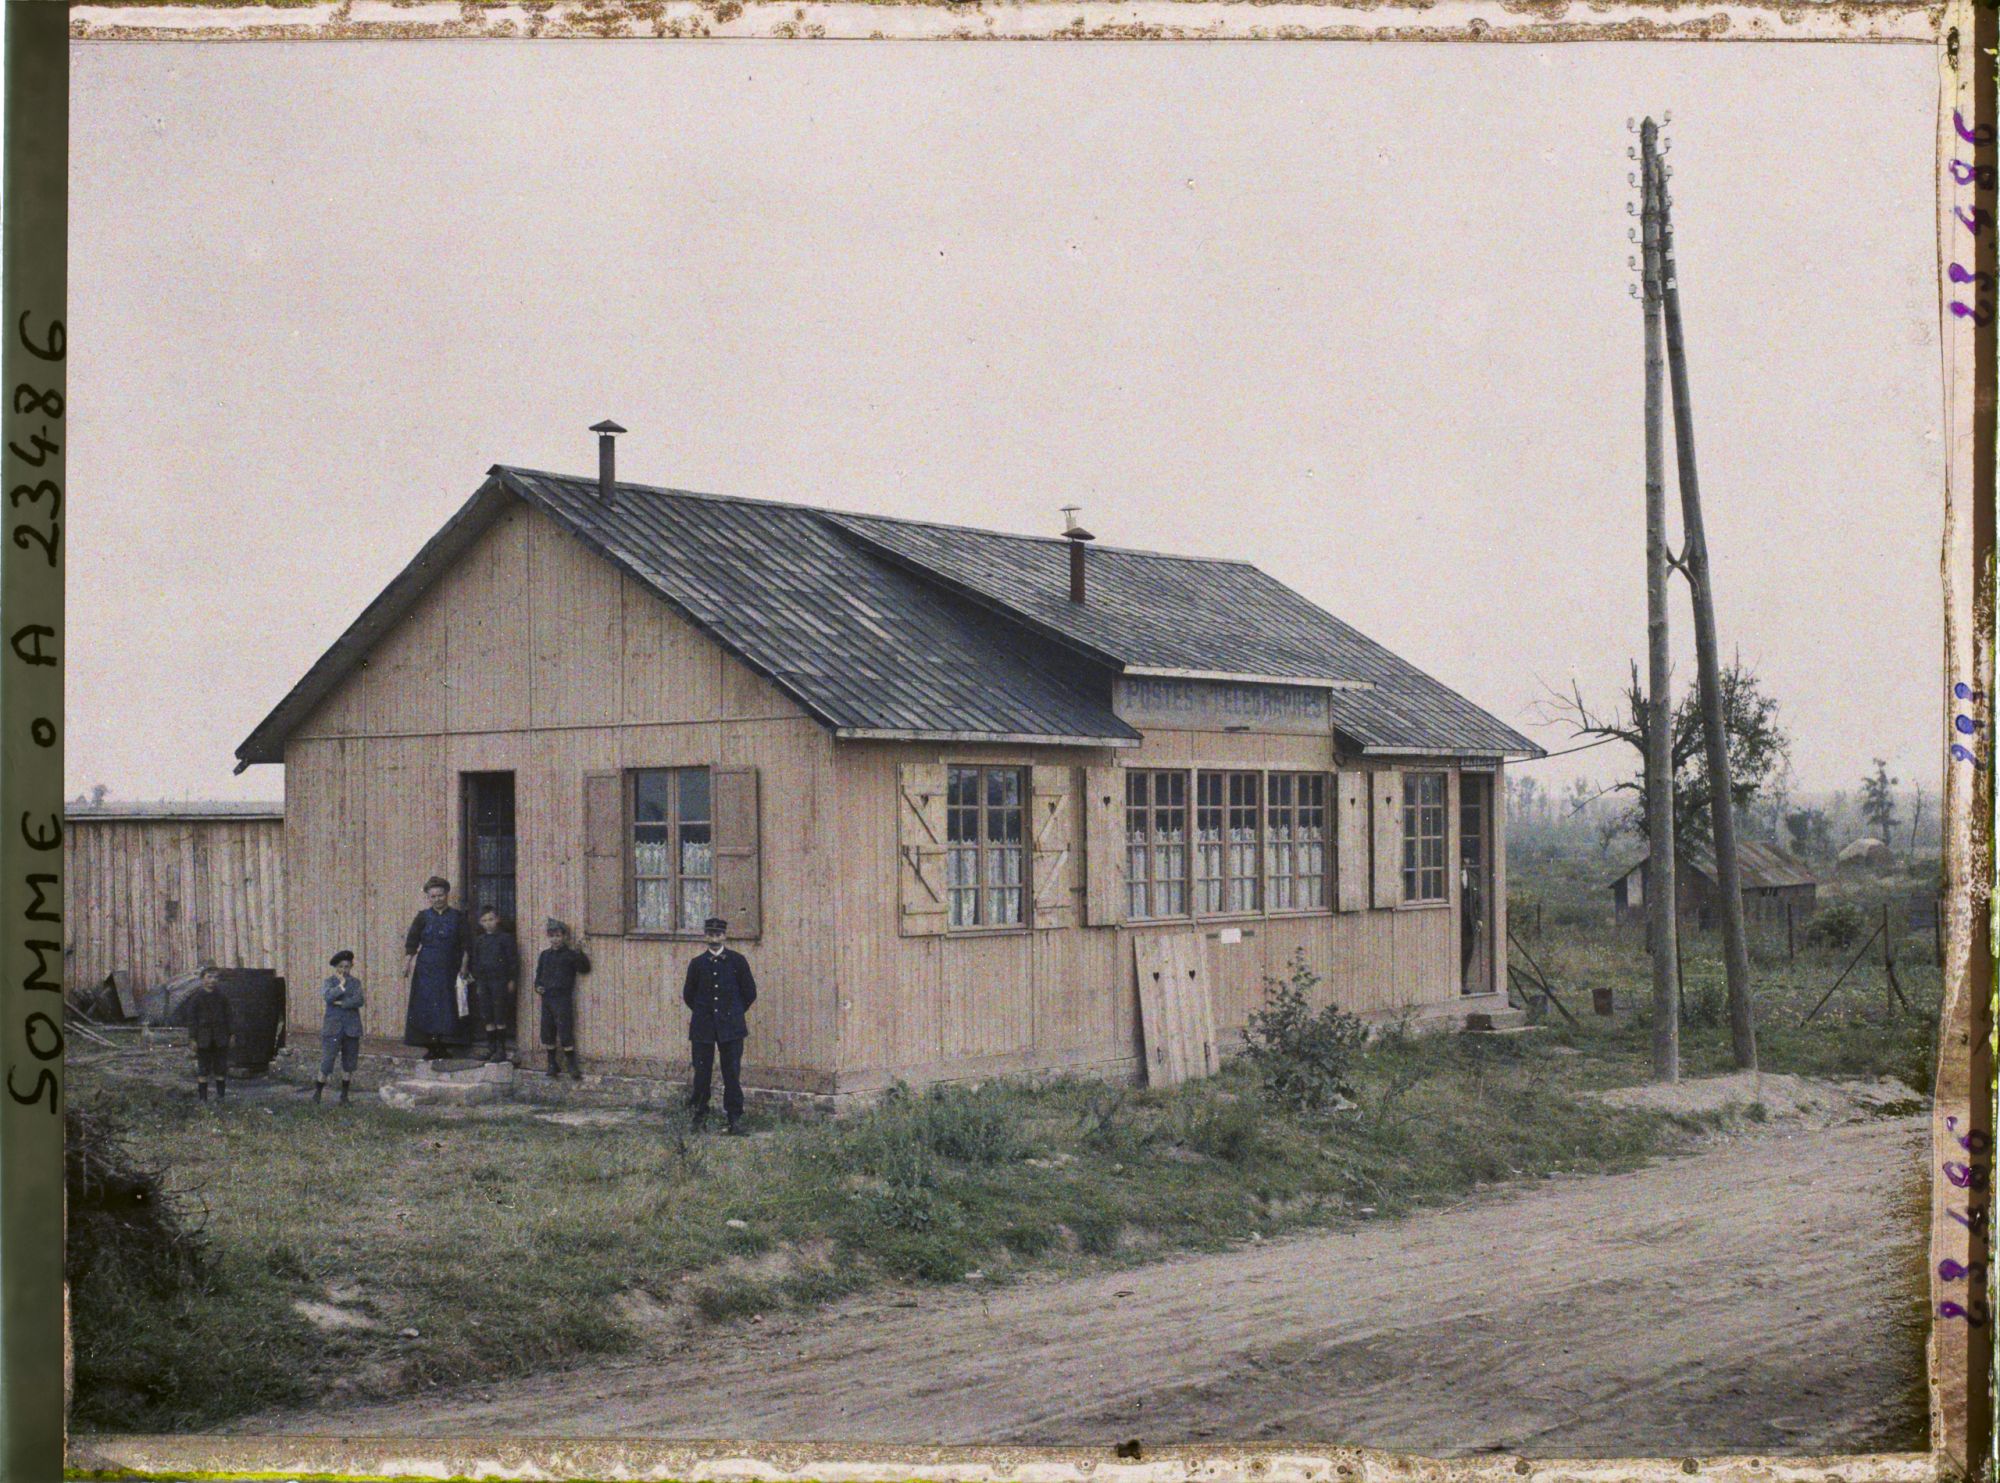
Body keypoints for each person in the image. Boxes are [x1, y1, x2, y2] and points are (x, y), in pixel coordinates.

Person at [681, 916, 756, 1134]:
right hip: (703, 1028)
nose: (714, 938)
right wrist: (705, 1013)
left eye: (718, 934)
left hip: (731, 1027)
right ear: (705, 937)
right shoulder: (697, 964)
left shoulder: (737, 961)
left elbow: (749, 992)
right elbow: (689, 995)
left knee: (731, 1073)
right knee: (701, 1074)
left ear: (725, 936)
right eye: (710, 934)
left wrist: (732, 1013)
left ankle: (734, 1120)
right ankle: (699, 1119)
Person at [402, 876, 471, 1061]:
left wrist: (464, 966)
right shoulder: (422, 917)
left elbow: (466, 945)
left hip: (449, 967)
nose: (437, 899)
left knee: (447, 1005)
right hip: (427, 969)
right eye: (433, 896)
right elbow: (412, 942)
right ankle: (431, 1046)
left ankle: (444, 1045)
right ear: (428, 898)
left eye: (440, 895)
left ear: (446, 895)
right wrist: (407, 963)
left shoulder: (458, 917)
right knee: (427, 1005)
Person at [532, 918, 591, 1080]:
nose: (555, 939)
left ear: (564, 936)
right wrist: (538, 987)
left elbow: (584, 969)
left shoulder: (570, 955)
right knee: (547, 1031)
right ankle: (552, 1063)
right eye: (552, 936)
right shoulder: (545, 955)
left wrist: (580, 953)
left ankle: (571, 1064)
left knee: (565, 1030)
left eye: (558, 935)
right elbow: (538, 977)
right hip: (547, 999)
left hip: (562, 998)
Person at [465, 906, 520, 1063]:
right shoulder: (480, 940)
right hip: (484, 982)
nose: (488, 923)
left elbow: (513, 961)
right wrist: (477, 980)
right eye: (484, 920)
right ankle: (491, 1047)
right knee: (487, 1014)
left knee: (499, 1013)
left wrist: (511, 979)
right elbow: (475, 961)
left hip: (500, 981)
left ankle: (501, 1049)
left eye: (491, 919)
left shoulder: (506, 938)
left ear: (498, 919)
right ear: (480, 923)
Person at [315, 950, 365, 1105]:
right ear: (336, 967)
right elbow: (328, 997)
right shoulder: (329, 982)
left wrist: (341, 1003)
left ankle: (344, 1096)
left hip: (351, 1028)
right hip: (333, 1029)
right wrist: (342, 986)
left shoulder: (356, 983)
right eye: (341, 966)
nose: (344, 970)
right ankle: (317, 1094)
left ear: (351, 966)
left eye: (347, 966)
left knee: (349, 1063)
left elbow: (359, 1000)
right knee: (327, 1061)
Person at [186, 964, 232, 1103]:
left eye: (215, 977)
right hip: (203, 1037)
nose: (212, 980)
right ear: (202, 979)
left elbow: (229, 1016)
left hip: (220, 1036)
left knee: (220, 1068)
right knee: (203, 1068)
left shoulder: (222, 997)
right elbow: (191, 1019)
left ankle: (221, 1097)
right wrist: (192, 1038)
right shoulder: (196, 998)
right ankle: (203, 1099)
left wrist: (231, 1034)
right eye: (209, 977)